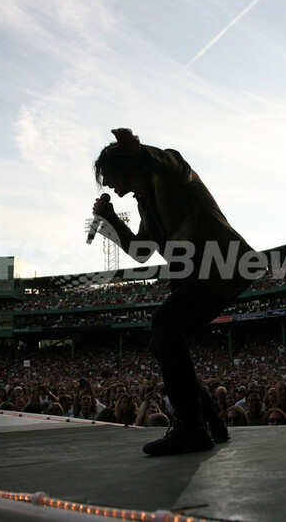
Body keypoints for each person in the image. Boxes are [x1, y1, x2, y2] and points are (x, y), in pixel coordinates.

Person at [92, 128, 261, 456]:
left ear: (128, 164)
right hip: (198, 272)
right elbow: (141, 251)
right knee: (163, 338)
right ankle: (210, 422)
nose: (108, 183)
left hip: (223, 264)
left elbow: (175, 165)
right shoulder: (145, 202)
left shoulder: (166, 176)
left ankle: (193, 429)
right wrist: (110, 218)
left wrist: (140, 151)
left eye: (110, 174)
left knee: (165, 324)